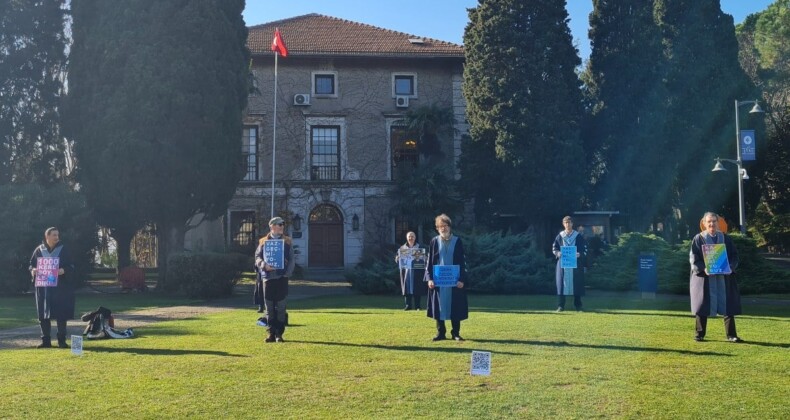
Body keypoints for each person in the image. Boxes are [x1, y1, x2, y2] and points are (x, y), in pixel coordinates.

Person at [689, 212, 742, 342]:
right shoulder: (698, 238)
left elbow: (734, 256)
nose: (712, 224)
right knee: (702, 304)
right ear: (704, 223)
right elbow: (694, 258)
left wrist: (730, 267)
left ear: (718, 223)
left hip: (724, 278)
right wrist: (703, 268)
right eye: (709, 222)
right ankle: (699, 334)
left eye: (714, 221)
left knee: (728, 305)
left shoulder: (726, 238)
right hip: (705, 278)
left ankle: (731, 335)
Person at [29, 227, 76, 348]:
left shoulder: (64, 250)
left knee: (61, 314)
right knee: (43, 314)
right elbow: (31, 265)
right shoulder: (39, 250)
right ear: (47, 236)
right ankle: (46, 341)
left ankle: (61, 341)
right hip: (43, 288)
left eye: (57, 235)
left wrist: (64, 270)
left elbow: (72, 266)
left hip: (60, 288)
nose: (57, 237)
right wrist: (33, 270)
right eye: (54, 235)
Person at [424, 214, 468, 341]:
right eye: (440, 226)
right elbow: (430, 262)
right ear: (437, 228)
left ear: (449, 226)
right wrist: (429, 279)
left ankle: (456, 333)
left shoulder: (457, 241)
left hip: (454, 282)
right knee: (439, 307)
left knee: (455, 306)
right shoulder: (434, 241)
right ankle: (441, 333)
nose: (443, 229)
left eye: (445, 226)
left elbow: (462, 262)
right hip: (439, 281)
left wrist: (461, 279)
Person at [254, 217, 295, 343]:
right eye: (279, 224)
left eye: (283, 224)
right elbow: (257, 257)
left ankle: (279, 334)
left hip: (281, 278)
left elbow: (292, 259)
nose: (282, 226)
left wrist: (287, 274)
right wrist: (263, 265)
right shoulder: (263, 241)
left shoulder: (287, 241)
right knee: (269, 307)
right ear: (272, 227)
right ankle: (271, 333)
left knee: (281, 307)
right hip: (267, 279)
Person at [552, 216, 586, 312]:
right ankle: (560, 306)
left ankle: (578, 306)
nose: (568, 224)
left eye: (569, 222)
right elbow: (554, 248)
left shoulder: (578, 236)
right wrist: (558, 253)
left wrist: (579, 254)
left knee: (577, 284)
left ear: (572, 224)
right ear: (563, 224)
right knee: (561, 284)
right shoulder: (560, 236)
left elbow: (584, 248)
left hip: (575, 263)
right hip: (563, 263)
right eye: (566, 223)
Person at [395, 231, 427, 310]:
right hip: (406, 271)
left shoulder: (419, 247)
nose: (411, 238)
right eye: (409, 236)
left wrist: (425, 258)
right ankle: (408, 305)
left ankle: (418, 306)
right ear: (407, 238)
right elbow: (397, 259)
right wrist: (397, 258)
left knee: (417, 288)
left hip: (417, 271)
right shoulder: (402, 248)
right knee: (407, 288)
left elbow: (425, 259)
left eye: (412, 236)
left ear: (415, 238)